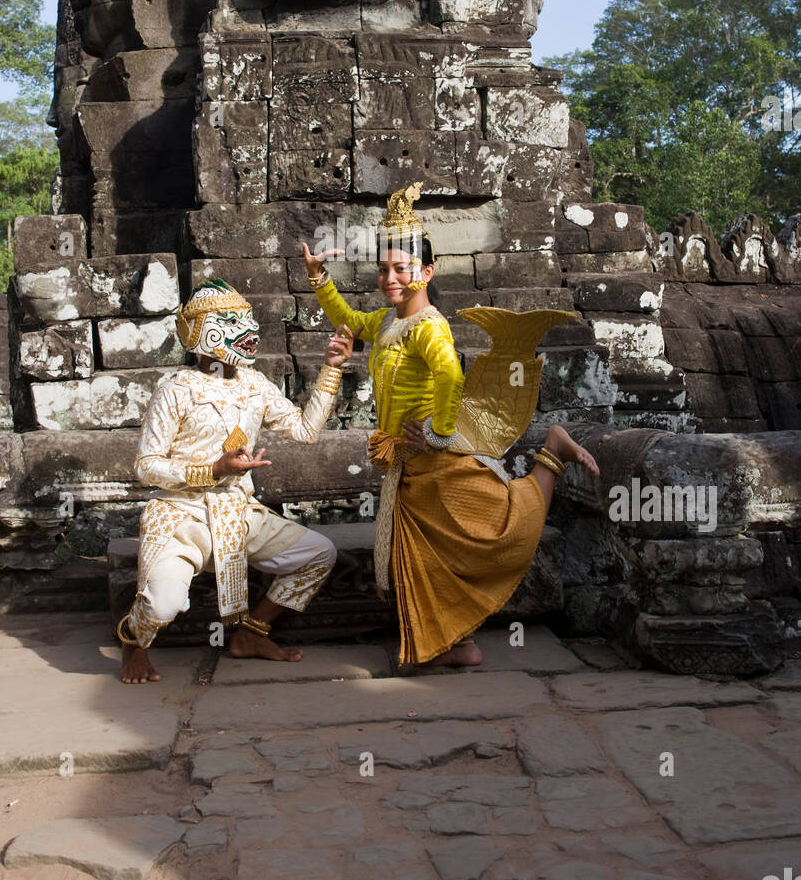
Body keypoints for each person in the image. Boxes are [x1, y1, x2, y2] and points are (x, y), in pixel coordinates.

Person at [302, 182, 600, 669]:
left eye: (401, 269)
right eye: (383, 270)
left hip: (438, 459)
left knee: (493, 534)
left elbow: (449, 375)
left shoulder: (429, 326)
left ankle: (550, 452)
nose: (390, 278)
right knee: (419, 553)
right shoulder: (386, 322)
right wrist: (319, 279)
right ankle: (456, 642)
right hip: (406, 460)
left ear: (426, 271)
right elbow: (349, 319)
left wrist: (440, 431)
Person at [118, 278, 354, 683]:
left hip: (237, 512)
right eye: (231, 321)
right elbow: (146, 466)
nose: (248, 330)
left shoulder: (254, 384)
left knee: (320, 553)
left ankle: (252, 632)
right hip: (181, 516)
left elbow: (304, 430)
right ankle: (132, 641)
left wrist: (331, 370)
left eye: (247, 319)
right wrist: (212, 470)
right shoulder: (176, 390)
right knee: (163, 606)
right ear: (200, 331)